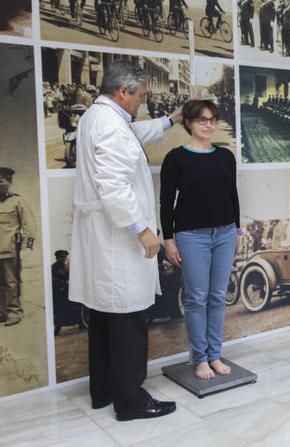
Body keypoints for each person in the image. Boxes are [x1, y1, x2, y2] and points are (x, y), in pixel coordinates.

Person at [68, 61, 182, 421]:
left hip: (102, 239)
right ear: (123, 92)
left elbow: (136, 134)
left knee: (102, 319)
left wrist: (170, 120)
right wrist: (143, 228)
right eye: (142, 97)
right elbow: (114, 186)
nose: (142, 103)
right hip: (119, 240)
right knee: (130, 321)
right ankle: (131, 401)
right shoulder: (112, 126)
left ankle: (103, 391)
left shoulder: (96, 117)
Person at [160, 100, 240, 380]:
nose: (209, 124)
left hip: (225, 233)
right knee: (196, 298)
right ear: (189, 124)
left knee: (218, 297)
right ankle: (200, 358)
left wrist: (237, 231)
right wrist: (168, 239)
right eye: (202, 120)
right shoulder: (175, 158)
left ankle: (215, 355)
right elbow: (166, 203)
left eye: (212, 119)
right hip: (191, 236)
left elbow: (233, 196)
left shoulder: (225, 157)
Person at [0, 167, 35, 326]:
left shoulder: (17, 201)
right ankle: (2, 312)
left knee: (11, 283)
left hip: (9, 250)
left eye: (1, 181)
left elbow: (30, 225)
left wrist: (27, 248)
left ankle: (14, 312)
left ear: (9, 182)